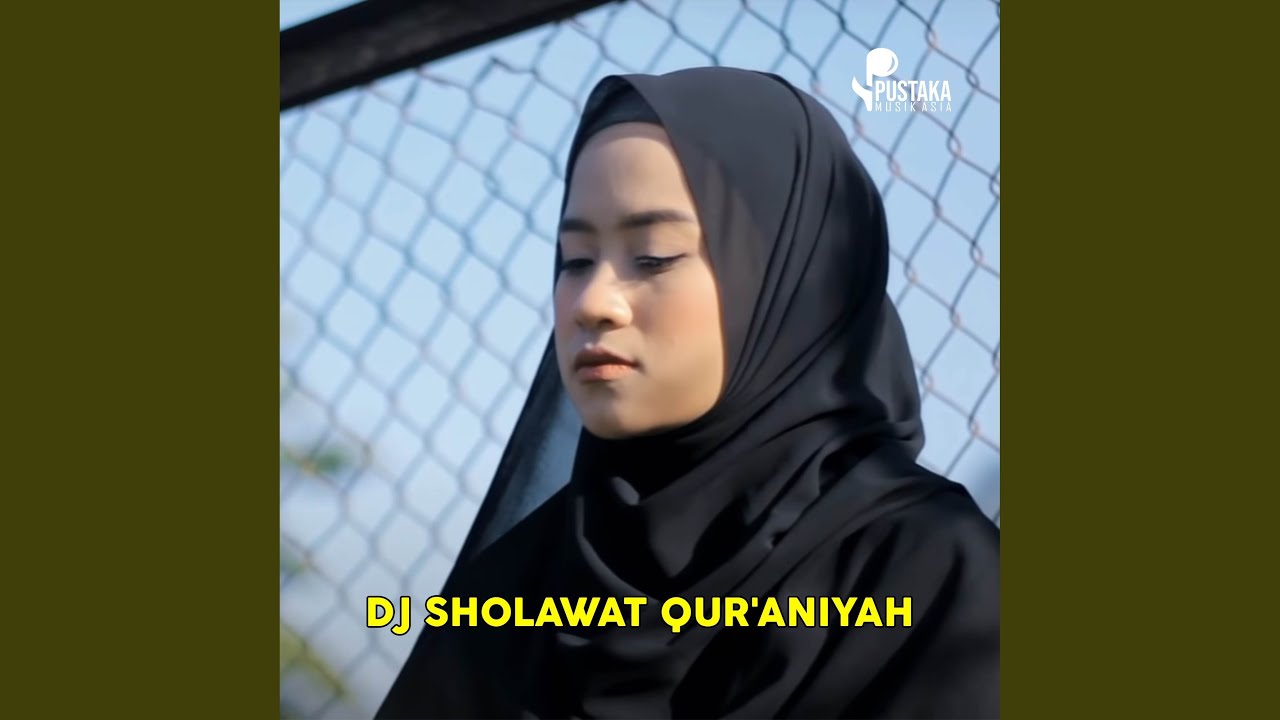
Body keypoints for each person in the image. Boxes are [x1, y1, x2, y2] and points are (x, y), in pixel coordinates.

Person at [375, 66, 999, 720]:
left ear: (789, 281)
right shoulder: (515, 593)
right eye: (575, 259)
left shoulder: (925, 576)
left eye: (651, 256)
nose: (591, 303)